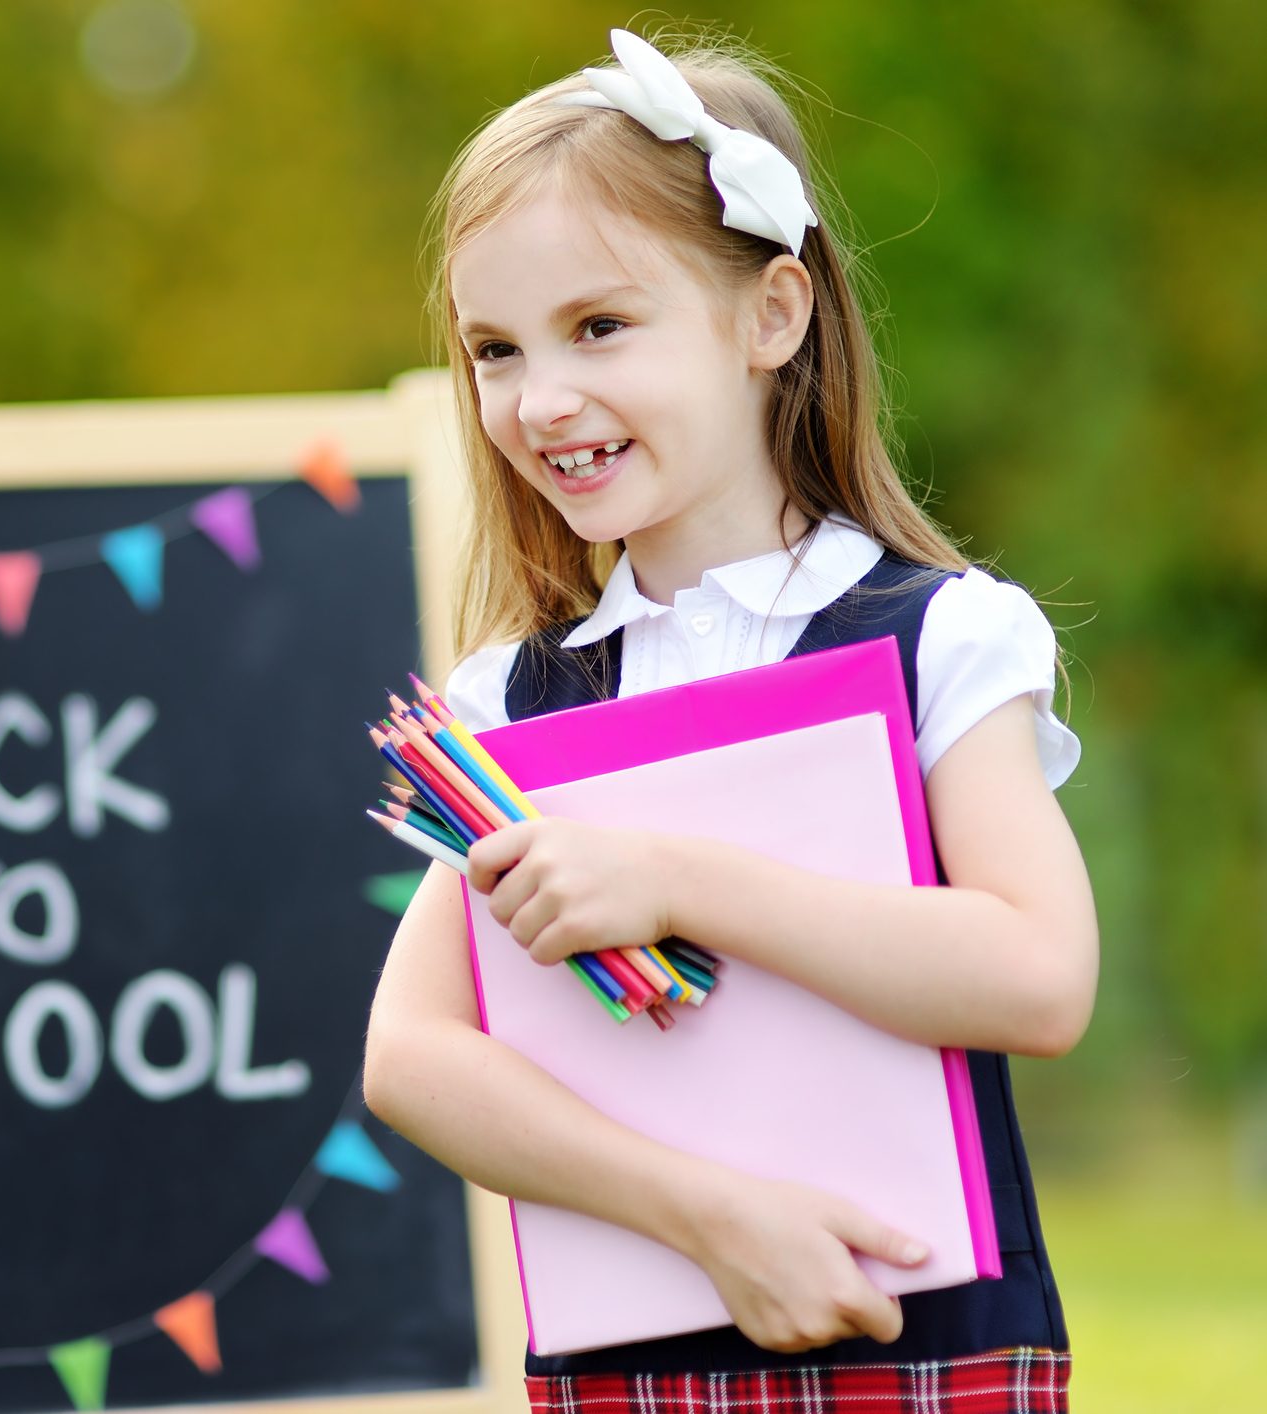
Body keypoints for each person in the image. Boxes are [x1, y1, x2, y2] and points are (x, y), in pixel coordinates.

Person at [362, 28, 1096, 1412]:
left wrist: (669, 876)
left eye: (598, 327)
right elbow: (408, 1053)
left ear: (770, 316)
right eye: (495, 350)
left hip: (919, 1336)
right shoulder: (509, 703)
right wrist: (704, 1214)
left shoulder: (934, 634)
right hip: (630, 1359)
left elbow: (1038, 972)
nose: (542, 399)